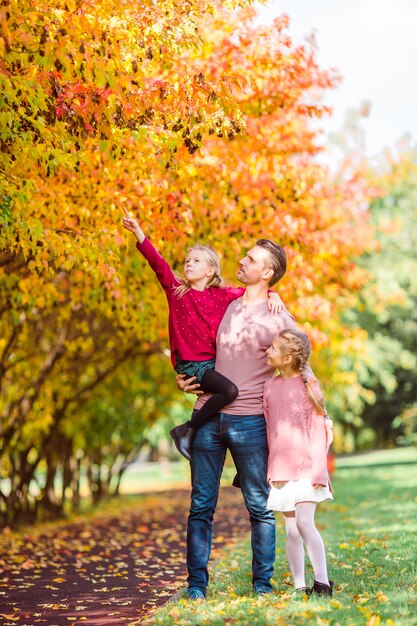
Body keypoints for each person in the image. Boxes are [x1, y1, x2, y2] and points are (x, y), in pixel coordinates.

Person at [176, 238, 323, 599]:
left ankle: (262, 585)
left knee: (259, 507)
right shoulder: (227, 301)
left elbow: (301, 359)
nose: (241, 261)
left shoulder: (278, 316)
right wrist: (182, 379)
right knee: (200, 506)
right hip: (207, 416)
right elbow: (197, 343)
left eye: (251, 259)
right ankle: (196, 586)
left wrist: (319, 408)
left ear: (267, 272)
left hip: (250, 423)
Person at [121, 209, 283, 460]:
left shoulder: (222, 295)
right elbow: (158, 263)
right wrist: (140, 234)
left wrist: (275, 295)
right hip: (191, 364)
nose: (189, 263)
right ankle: (187, 430)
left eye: (196, 261)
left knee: (231, 395)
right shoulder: (177, 292)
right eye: (187, 260)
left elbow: (254, 291)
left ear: (210, 271)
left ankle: (241, 459)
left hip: (210, 364)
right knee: (229, 392)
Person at [264, 328, 333, 597]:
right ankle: (299, 585)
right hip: (281, 469)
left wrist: (319, 471)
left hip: (307, 469)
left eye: (272, 348)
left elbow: (319, 433)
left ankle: (323, 583)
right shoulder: (269, 387)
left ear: (288, 357)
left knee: (305, 523)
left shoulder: (309, 387)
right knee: (291, 531)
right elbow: (271, 429)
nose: (267, 351)